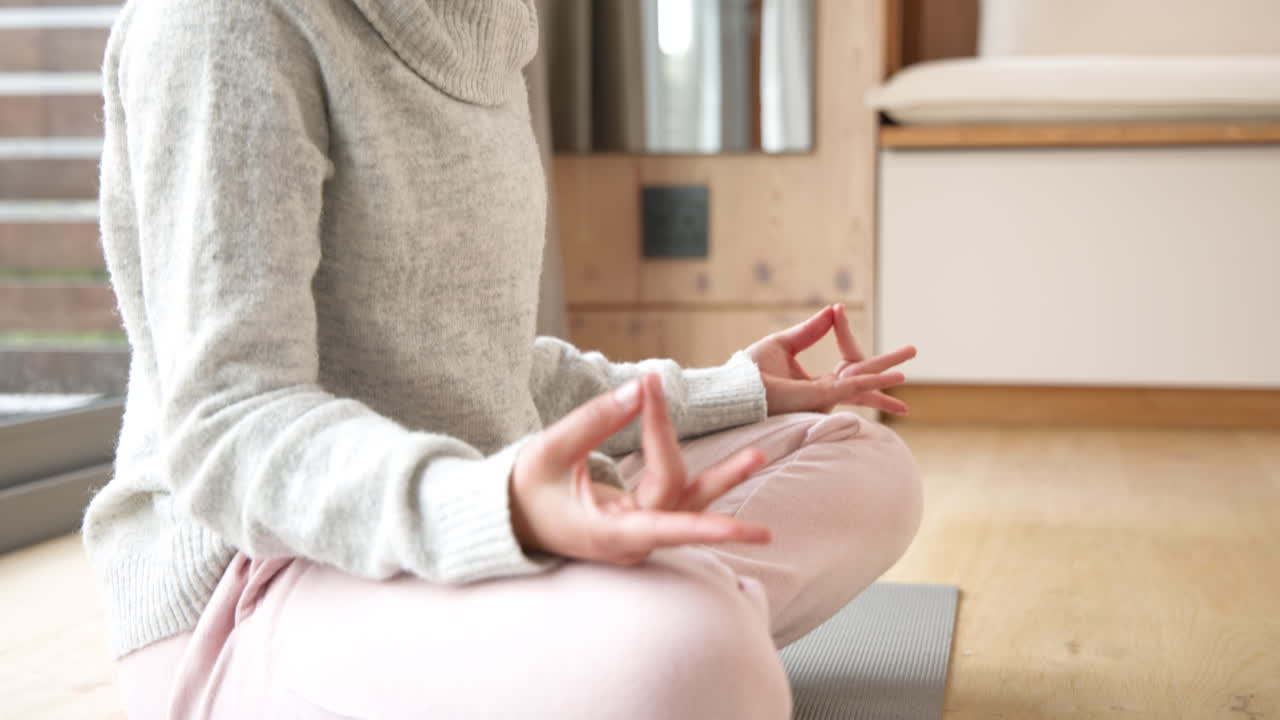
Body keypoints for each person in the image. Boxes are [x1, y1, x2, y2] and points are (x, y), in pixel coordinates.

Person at [82, 0, 922, 717]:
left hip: (483, 508)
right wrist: (503, 505)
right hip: (256, 586)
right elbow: (230, 423)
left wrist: (732, 390)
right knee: (704, 659)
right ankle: (641, 625)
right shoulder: (221, 24)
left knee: (866, 464)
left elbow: (488, 369)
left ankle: (610, 623)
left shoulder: (487, 25)